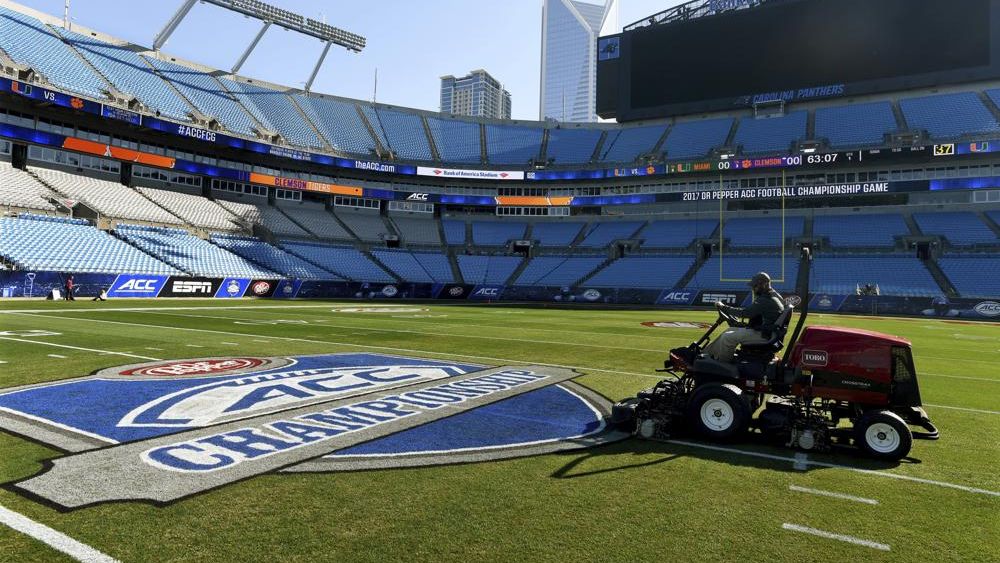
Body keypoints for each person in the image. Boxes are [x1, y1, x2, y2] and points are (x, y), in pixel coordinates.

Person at [703, 272, 786, 363]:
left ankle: (722, 365)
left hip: (766, 335)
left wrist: (723, 307)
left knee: (727, 338)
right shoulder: (774, 295)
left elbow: (745, 313)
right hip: (769, 332)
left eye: (755, 286)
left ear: (765, 284)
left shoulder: (765, 299)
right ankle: (705, 354)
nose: (753, 289)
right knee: (729, 330)